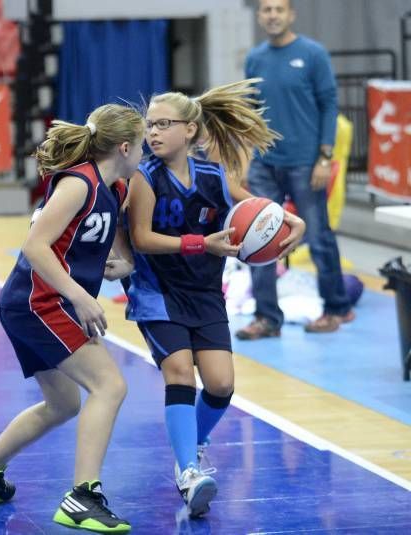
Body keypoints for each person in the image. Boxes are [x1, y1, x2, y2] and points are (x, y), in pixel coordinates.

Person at [0, 103, 144, 534]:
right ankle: (82, 498)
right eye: (143, 143)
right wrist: (79, 294)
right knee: (109, 386)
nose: (144, 152)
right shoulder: (80, 183)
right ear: (126, 146)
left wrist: (114, 266)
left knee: (63, 403)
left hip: (29, 304)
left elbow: (73, 243)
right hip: (40, 304)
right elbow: (36, 246)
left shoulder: (110, 188)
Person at [123, 79, 306, 517]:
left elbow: (258, 213)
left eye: (163, 124)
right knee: (181, 373)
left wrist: (290, 224)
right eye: (150, 125)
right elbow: (142, 238)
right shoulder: (144, 178)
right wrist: (198, 243)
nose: (153, 133)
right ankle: (187, 471)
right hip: (158, 291)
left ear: (190, 130)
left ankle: (194, 441)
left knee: (222, 384)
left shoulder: (214, 176)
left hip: (204, 291)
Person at [236, 0, 354, 339]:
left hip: (306, 163)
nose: (272, 15)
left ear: (291, 15)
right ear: (259, 17)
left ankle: (336, 307)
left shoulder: (313, 54)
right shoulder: (255, 58)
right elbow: (251, 113)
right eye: (266, 10)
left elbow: (329, 105)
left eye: (279, 9)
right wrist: (247, 158)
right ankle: (266, 318)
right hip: (265, 164)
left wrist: (324, 157)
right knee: (257, 239)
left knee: (318, 237)